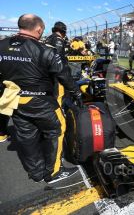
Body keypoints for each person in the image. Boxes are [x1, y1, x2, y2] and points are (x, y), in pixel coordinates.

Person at [0, 14, 81, 183]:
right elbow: (64, 75)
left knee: (26, 136)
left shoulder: (2, 45)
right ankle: (54, 172)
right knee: (57, 130)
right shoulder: (46, 50)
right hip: (42, 101)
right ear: (38, 29)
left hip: (14, 99)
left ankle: (36, 173)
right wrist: (76, 92)